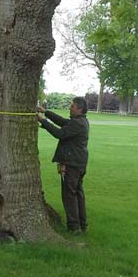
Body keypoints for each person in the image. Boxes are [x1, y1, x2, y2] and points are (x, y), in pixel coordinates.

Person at [37, 97, 89, 234]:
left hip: (73, 164)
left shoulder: (78, 123)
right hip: (78, 163)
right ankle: (81, 225)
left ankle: (74, 227)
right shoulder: (79, 121)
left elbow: (60, 133)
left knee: (69, 195)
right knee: (77, 194)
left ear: (79, 109)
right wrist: (45, 112)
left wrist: (42, 120)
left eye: (72, 106)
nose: (70, 108)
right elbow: (62, 122)